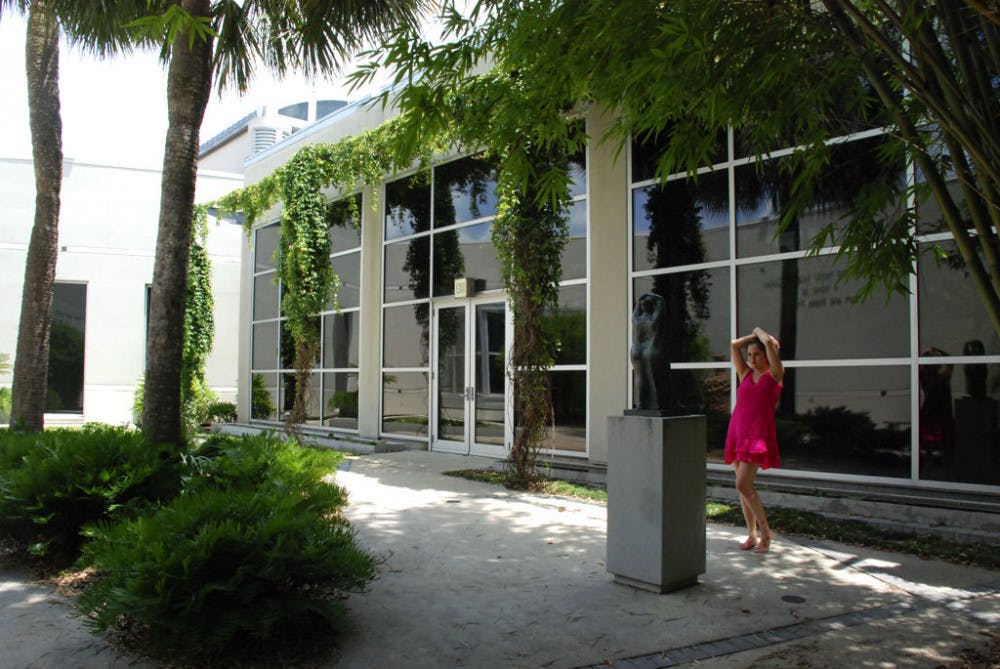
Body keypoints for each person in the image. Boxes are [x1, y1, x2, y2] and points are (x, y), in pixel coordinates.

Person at [725, 326, 783, 554]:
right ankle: (751, 534)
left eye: (756, 354)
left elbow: (769, 345)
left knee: (742, 484)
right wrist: (752, 338)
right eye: (749, 355)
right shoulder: (745, 374)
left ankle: (766, 532)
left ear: (767, 355)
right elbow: (733, 345)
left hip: (757, 437)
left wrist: (762, 335)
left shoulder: (775, 375)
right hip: (738, 433)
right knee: (743, 488)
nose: (751, 358)